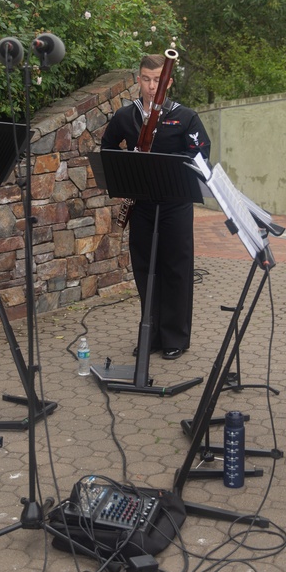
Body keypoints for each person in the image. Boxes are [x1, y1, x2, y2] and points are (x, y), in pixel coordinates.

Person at [101, 53, 211, 360]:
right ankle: (150, 334)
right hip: (144, 205)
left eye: (157, 81)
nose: (152, 87)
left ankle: (175, 336)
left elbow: (201, 155)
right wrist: (125, 176)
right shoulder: (126, 116)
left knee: (176, 268)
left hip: (176, 204)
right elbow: (108, 149)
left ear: (168, 82)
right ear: (139, 80)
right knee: (145, 268)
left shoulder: (185, 116)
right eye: (146, 80)